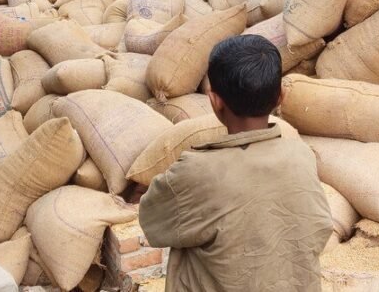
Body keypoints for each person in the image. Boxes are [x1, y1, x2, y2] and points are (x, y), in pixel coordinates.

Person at [139, 35, 333, 291]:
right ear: (280, 97)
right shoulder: (300, 155)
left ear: (214, 101)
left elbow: (153, 222)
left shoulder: (195, 171)